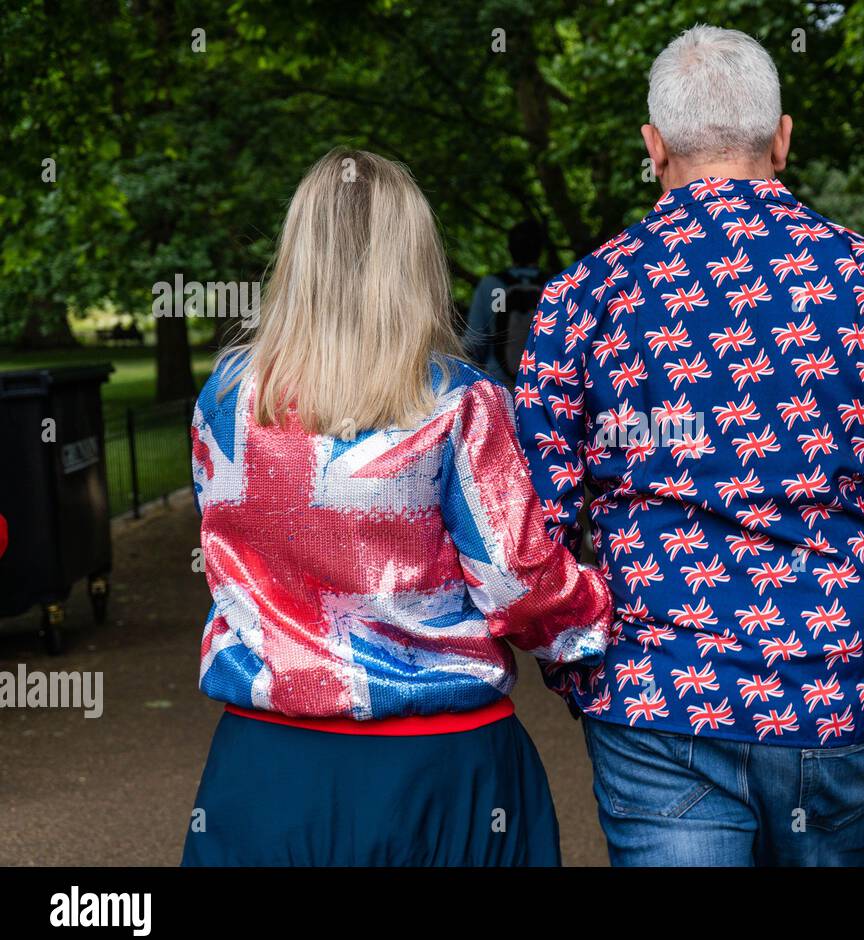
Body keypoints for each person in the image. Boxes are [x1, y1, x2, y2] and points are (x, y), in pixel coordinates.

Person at [515, 25, 864, 867]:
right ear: (782, 138)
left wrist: (582, 663)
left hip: (659, 700)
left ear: (652, 147)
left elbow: (531, 531)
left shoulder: (581, 299)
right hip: (833, 693)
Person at [182, 148, 612, 867]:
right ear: (415, 258)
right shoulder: (460, 403)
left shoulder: (224, 401)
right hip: (442, 768)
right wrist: (602, 616)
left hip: (265, 764)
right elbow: (519, 584)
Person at [463, 220, 546, 386]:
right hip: (542, 386)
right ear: (540, 250)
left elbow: (476, 340)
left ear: (509, 248)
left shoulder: (494, 287)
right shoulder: (554, 285)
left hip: (500, 384)